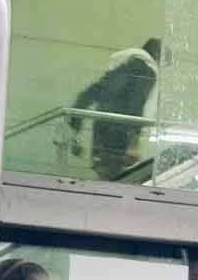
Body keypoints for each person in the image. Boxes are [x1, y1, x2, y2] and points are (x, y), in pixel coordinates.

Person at [68, 38, 162, 181]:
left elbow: (88, 94)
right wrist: (133, 143)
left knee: (105, 176)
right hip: (120, 135)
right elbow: (136, 103)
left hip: (100, 133)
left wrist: (75, 130)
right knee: (117, 181)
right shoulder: (146, 71)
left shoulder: (120, 69)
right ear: (156, 56)